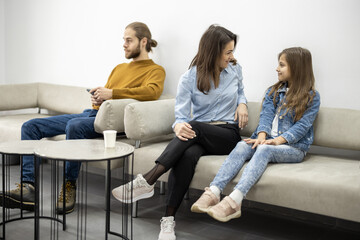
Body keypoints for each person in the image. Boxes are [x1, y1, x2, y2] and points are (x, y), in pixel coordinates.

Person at [0, 22, 166, 214]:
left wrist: (111, 93)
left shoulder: (156, 70)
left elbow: (151, 92)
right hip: (94, 114)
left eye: (129, 40)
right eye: (124, 40)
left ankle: (69, 185)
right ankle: (28, 189)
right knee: (30, 126)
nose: (124, 44)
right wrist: (99, 96)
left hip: (113, 123)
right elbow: (108, 97)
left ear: (143, 41)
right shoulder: (119, 68)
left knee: (74, 126)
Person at [112, 25, 248, 240]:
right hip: (200, 134)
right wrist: (178, 126)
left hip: (227, 134)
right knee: (187, 155)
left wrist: (242, 104)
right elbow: (181, 117)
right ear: (213, 52)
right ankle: (168, 220)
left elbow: (240, 91)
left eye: (232, 51)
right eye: (228, 52)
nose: (232, 57)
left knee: (195, 127)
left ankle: (148, 179)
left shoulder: (235, 69)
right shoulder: (189, 78)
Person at [191, 47, 320, 223]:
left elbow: (302, 127)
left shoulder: (312, 97)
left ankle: (234, 201)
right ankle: (213, 192)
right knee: (242, 145)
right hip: (268, 140)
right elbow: (266, 116)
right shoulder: (272, 92)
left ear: (297, 68)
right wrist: (261, 136)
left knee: (264, 150)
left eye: (281, 65)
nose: (277, 69)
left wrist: (275, 141)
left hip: (293, 147)